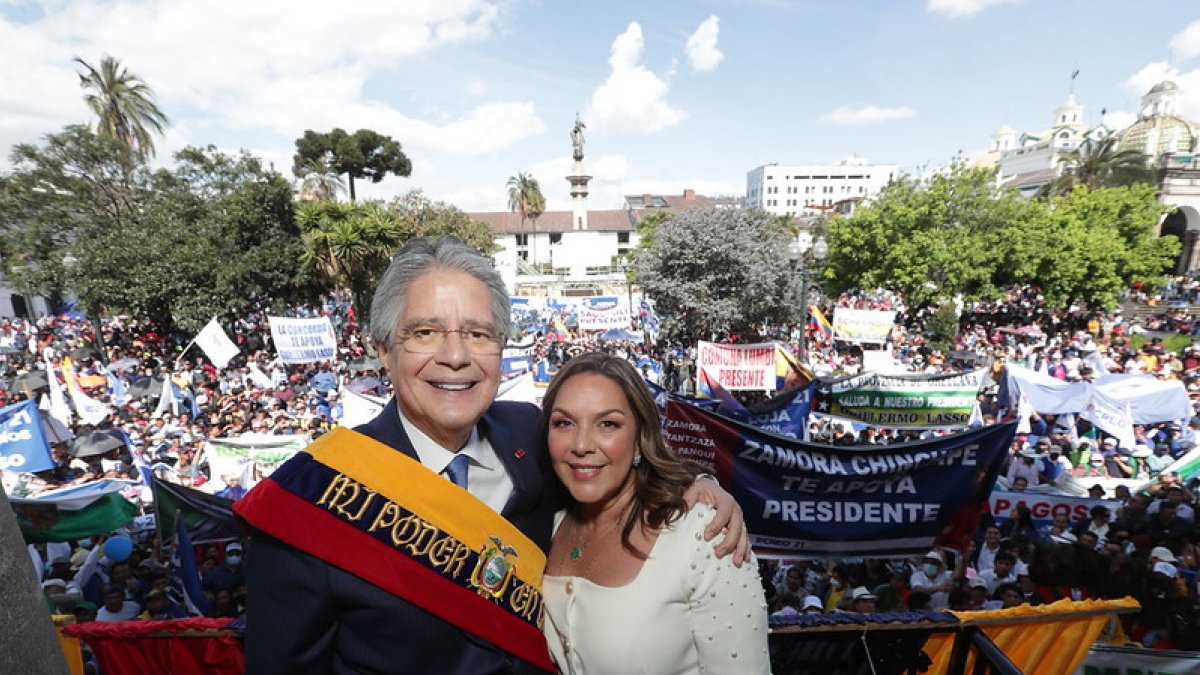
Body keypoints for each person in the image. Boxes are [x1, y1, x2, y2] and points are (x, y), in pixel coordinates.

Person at [236, 236, 748, 674]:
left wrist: (701, 485)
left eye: (477, 334)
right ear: (384, 350)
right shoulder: (313, 498)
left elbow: (620, 460)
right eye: (425, 332)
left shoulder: (535, 434)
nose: (455, 356)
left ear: (501, 348)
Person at [539, 353, 768, 674]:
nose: (581, 444)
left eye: (608, 424)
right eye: (564, 422)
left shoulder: (703, 533)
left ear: (639, 440)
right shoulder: (548, 523)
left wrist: (704, 484)